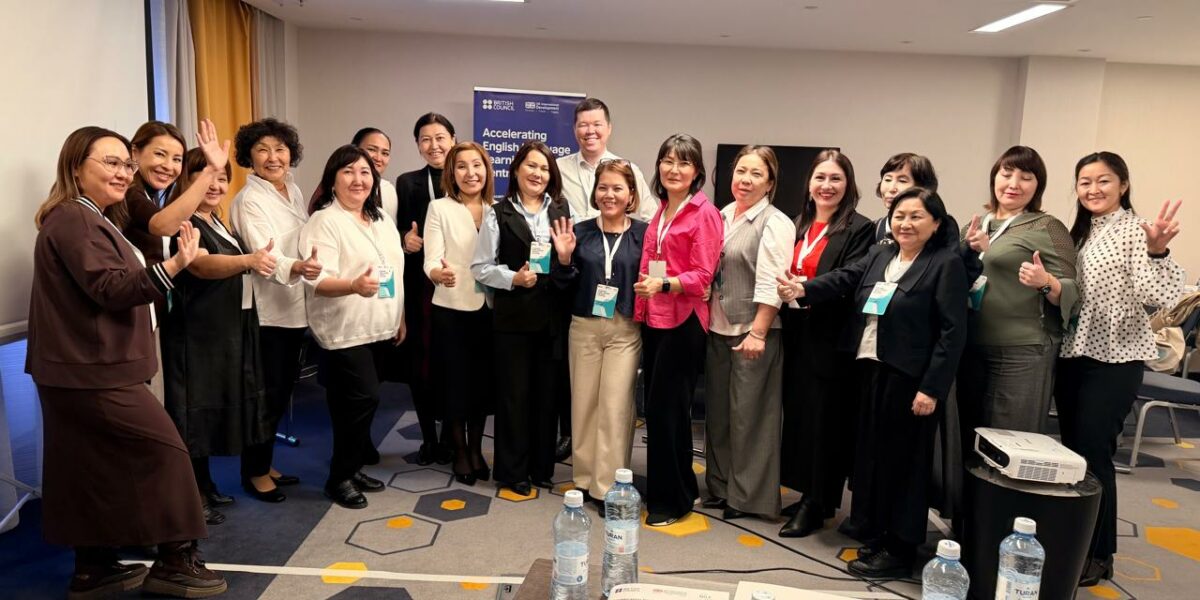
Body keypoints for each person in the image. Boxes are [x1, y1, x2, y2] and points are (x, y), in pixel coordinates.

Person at [27, 126, 225, 598]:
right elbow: (112, 289)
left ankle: (93, 568)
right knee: (166, 455)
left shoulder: (91, 218)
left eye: (126, 165)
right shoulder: (74, 219)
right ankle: (175, 560)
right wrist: (175, 265)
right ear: (76, 167)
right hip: (92, 373)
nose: (123, 173)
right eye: (111, 163)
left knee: (88, 469)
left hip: (83, 370)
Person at [781, 187, 968, 577]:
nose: (905, 223)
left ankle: (901, 549)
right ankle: (881, 533)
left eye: (916, 216)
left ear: (936, 223)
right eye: (900, 216)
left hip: (910, 379)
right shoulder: (882, 254)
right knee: (875, 459)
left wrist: (931, 388)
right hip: (870, 369)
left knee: (906, 466)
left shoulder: (944, 263)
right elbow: (846, 277)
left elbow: (952, 333)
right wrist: (804, 289)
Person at [1056, 152, 1184, 587]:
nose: (1093, 189)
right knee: (1074, 451)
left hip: (1116, 357)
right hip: (1074, 354)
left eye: (1104, 181)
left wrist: (1158, 249)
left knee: (1094, 453)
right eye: (1085, 182)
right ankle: (1075, 538)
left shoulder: (1136, 229)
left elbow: (1157, 294)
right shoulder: (1080, 232)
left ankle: (1099, 553)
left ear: (1123, 184)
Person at [161, 147, 276, 526]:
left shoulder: (218, 221)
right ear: (189, 181)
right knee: (195, 414)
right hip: (197, 335)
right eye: (206, 176)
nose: (215, 185)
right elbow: (201, 265)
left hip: (226, 331)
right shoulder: (184, 222)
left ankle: (206, 485)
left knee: (210, 412)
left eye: (222, 178)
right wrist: (248, 260)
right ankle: (193, 496)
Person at [300, 145, 407, 509]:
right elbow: (317, 281)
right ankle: (339, 478)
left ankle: (352, 465)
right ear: (332, 180)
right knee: (364, 398)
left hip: (380, 326)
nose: (358, 179)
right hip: (344, 330)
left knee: (350, 404)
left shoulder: (380, 219)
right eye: (348, 172)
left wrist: (400, 316)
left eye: (364, 172)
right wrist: (353, 286)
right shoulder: (324, 222)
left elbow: (395, 271)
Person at [776, 149, 873, 538]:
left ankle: (817, 502)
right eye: (820, 178)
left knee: (825, 423)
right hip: (796, 331)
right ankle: (807, 494)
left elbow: (851, 276)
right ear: (809, 183)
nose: (826, 186)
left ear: (848, 184)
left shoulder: (859, 228)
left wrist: (806, 288)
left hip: (830, 337)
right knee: (800, 417)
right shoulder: (797, 224)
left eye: (835, 178)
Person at [957, 146, 1078, 444]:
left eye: (1026, 177)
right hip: (969, 345)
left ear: (1038, 186)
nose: (1014, 184)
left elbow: (1072, 290)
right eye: (1007, 174)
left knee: (1010, 442)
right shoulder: (974, 225)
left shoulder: (1048, 227)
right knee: (966, 436)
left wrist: (1045, 282)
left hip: (1021, 351)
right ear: (994, 178)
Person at [471, 140, 571, 497]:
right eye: (531, 166)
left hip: (552, 319)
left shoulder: (561, 210)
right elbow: (480, 267)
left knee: (546, 396)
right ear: (516, 170)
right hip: (512, 320)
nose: (537, 174)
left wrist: (564, 259)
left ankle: (541, 468)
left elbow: (568, 262)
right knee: (514, 397)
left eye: (544, 168)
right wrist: (513, 278)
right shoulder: (498, 213)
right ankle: (513, 471)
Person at [230, 117, 322, 503]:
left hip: (296, 307)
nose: (273, 157)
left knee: (282, 391)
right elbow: (264, 255)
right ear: (248, 156)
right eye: (263, 150)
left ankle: (264, 463)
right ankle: (253, 472)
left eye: (280, 149)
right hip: (268, 313)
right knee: (266, 395)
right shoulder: (248, 200)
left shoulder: (293, 191)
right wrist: (297, 266)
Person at [634, 134, 723, 527]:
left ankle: (669, 502)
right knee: (664, 411)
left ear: (697, 171)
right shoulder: (662, 209)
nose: (674, 169)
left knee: (666, 412)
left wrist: (665, 284)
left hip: (683, 322)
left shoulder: (704, 213)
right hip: (655, 318)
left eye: (683, 162)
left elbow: (703, 274)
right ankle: (681, 488)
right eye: (667, 160)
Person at [704, 145, 794, 521]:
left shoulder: (775, 222)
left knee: (751, 419)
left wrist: (758, 332)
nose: (746, 180)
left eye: (757, 174)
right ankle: (721, 487)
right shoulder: (722, 214)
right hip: (717, 327)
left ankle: (748, 498)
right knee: (719, 416)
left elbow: (774, 281)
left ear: (770, 183)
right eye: (741, 171)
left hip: (753, 331)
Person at [550, 159, 648, 506]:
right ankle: (584, 479)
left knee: (615, 406)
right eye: (603, 187)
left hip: (624, 329)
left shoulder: (644, 233)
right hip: (584, 328)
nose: (609, 194)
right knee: (584, 405)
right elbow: (561, 285)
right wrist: (564, 259)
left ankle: (608, 486)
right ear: (595, 192)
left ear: (631, 194)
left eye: (617, 188)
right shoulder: (579, 232)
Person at [423, 141, 496, 486]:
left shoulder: (496, 209)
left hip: (488, 309)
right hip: (451, 308)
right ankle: (460, 451)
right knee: (455, 384)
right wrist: (437, 273)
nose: (471, 173)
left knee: (481, 384)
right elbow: (430, 258)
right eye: (462, 166)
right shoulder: (439, 208)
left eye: (477, 165)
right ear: (451, 173)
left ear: (486, 170)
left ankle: (477, 448)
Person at [395, 112, 457, 465]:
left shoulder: (466, 177)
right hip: (421, 288)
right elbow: (395, 229)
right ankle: (428, 440)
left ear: (452, 139)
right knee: (421, 363)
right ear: (418, 145)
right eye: (425, 139)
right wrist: (405, 240)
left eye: (440, 137)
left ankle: (450, 437)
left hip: (458, 286)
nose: (434, 146)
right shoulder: (407, 183)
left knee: (453, 362)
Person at [557, 97, 658, 222]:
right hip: (572, 235)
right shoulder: (558, 168)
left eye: (597, 124)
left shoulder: (628, 169)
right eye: (583, 125)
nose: (590, 131)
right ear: (574, 130)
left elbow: (652, 219)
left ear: (609, 128)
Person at [871, 153, 938, 243]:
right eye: (887, 179)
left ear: (922, 188)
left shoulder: (939, 228)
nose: (891, 188)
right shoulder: (872, 229)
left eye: (902, 181)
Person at [353, 127, 398, 222]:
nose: (378, 158)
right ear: (354, 150)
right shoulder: (341, 187)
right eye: (372, 149)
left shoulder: (388, 189)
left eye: (385, 153)